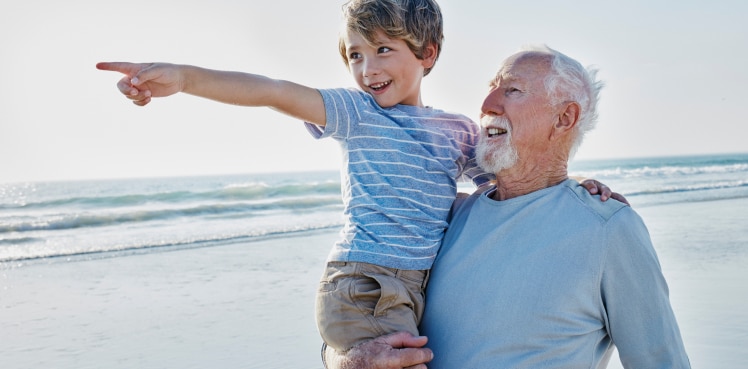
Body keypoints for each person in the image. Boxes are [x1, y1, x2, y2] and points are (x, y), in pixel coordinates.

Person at [96, 0, 617, 356]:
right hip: (365, 284)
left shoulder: (455, 131)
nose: (367, 68)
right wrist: (185, 79)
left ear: (427, 54)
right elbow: (273, 90)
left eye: (383, 49)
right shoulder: (356, 113)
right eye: (355, 55)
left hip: (416, 290)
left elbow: (512, 182)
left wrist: (576, 189)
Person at [324, 45, 691, 368]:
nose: (486, 106)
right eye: (490, 89)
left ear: (564, 118)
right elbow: (355, 315)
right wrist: (345, 361)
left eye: (512, 91)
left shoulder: (608, 227)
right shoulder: (446, 218)